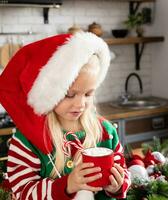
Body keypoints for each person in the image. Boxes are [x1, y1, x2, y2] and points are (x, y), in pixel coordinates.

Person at [0, 32, 130, 199]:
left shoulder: (106, 131)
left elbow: (122, 171)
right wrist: (67, 185)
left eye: (88, 94)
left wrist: (117, 186)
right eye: (69, 95)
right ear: (49, 93)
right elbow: (22, 192)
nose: (80, 104)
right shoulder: (28, 140)